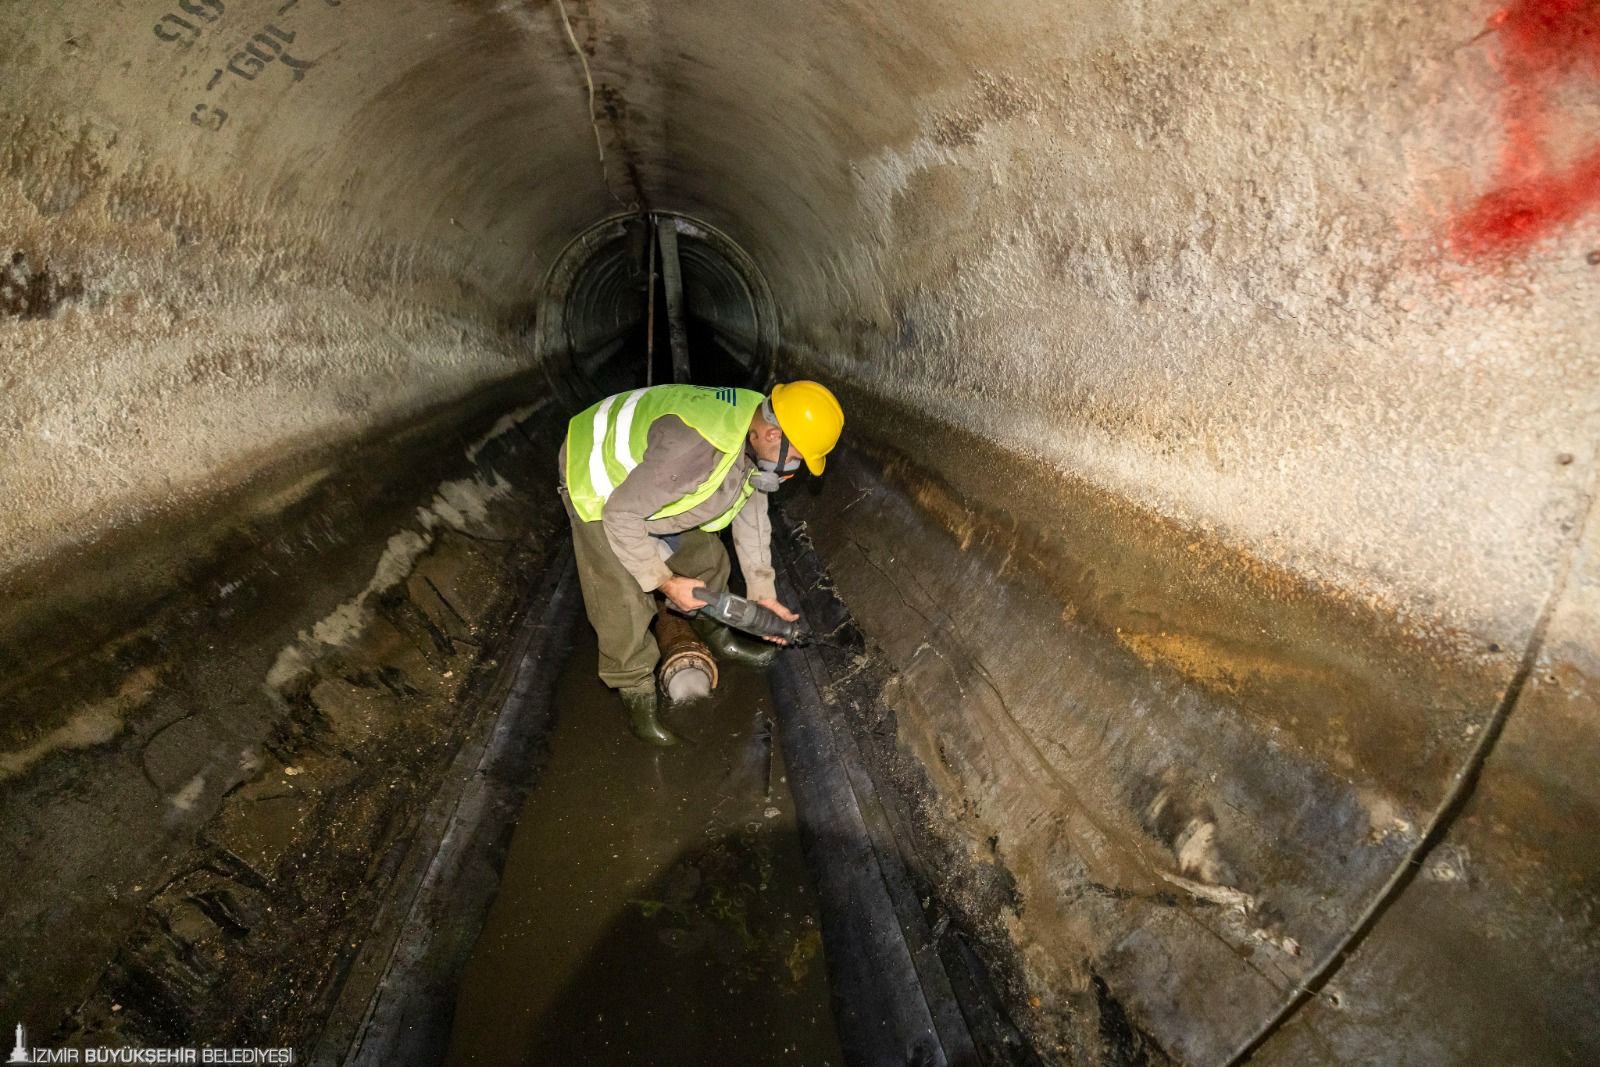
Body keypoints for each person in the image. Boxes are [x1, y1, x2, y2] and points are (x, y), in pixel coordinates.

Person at [556, 380, 845, 745]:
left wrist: (761, 592)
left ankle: (718, 636)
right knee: (624, 601)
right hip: (600, 484)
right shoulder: (697, 448)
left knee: (709, 559)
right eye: (799, 457)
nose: (796, 469)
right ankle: (636, 694)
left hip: (651, 483)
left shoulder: (753, 425)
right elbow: (621, 513)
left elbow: (751, 507)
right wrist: (664, 581)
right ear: (773, 434)